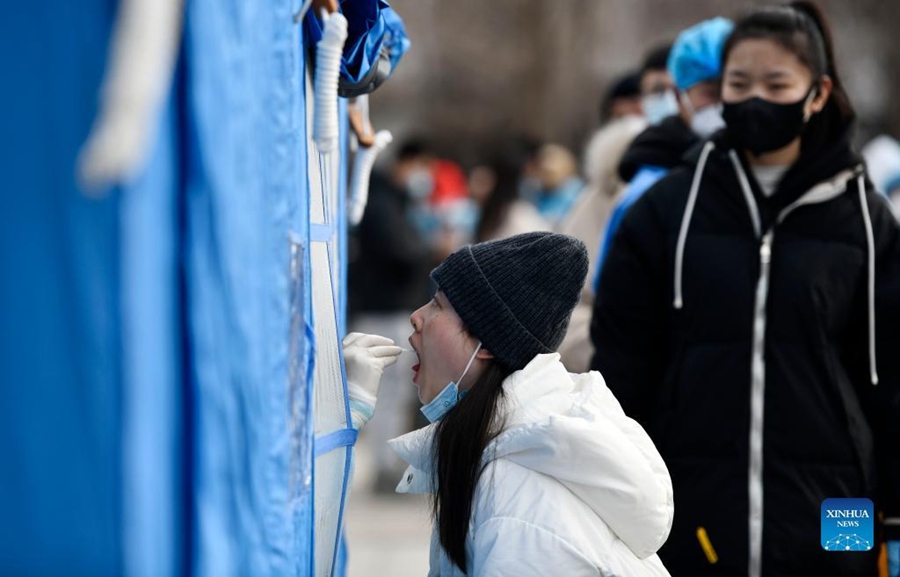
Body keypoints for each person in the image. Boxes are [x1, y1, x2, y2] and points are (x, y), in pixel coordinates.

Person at [590, 3, 900, 576]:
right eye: (738, 83)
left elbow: (888, 377)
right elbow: (621, 366)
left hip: (834, 507)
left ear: (817, 92)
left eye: (776, 83)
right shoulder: (666, 212)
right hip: (691, 507)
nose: (755, 98)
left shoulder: (864, 218)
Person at [349, 232, 673, 576]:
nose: (416, 316)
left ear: (486, 341)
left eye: (438, 305)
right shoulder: (508, 457)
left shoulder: (517, 501)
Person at [593, 17, 733, 281]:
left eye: (736, 87)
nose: (724, 104)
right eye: (711, 93)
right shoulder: (650, 189)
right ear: (679, 97)